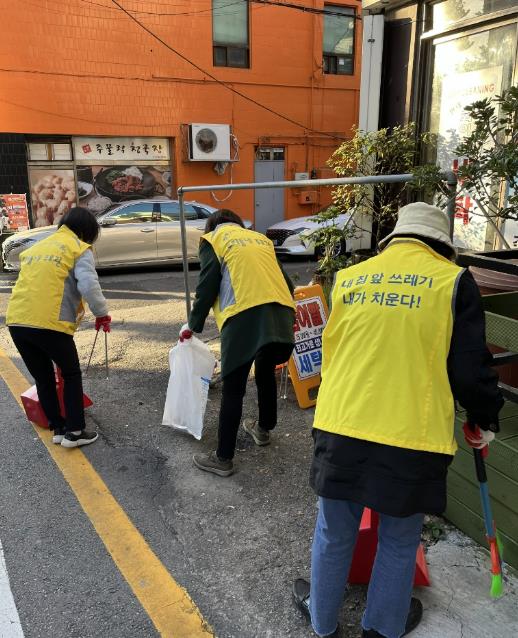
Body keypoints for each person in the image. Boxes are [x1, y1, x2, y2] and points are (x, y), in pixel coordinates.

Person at [292, 202, 504, 638]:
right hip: (411, 436)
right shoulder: (452, 282)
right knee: (400, 538)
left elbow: (334, 352)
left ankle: (322, 623)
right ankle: (382, 627)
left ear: (394, 239)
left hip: (341, 424)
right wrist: (484, 419)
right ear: (442, 247)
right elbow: (470, 369)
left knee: (333, 531)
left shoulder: (350, 278)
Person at [180, 209, 295, 477]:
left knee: (233, 388)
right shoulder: (260, 240)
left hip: (244, 317)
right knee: (265, 370)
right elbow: (287, 283)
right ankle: (263, 430)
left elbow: (207, 285)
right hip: (281, 313)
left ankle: (223, 458)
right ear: (237, 223)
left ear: (212, 226)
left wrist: (192, 325)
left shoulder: (214, 240)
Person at [6, 206, 111, 448]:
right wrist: (102, 314)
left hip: (18, 321)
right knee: (70, 374)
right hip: (50, 324)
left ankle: (58, 428)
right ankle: (75, 432)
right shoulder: (78, 248)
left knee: (43, 378)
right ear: (87, 231)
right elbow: (89, 286)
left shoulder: (38, 247)